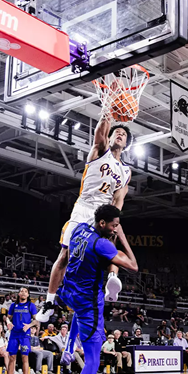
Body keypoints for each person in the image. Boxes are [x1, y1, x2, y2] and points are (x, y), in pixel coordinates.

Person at [47, 204, 138, 374]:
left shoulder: (78, 231)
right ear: (102, 223)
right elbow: (133, 264)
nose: (116, 228)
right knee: (93, 361)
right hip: (89, 305)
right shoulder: (104, 242)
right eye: (114, 225)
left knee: (101, 270)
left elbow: (63, 259)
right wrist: (123, 238)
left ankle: (68, 346)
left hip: (69, 292)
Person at [40, 113, 133, 324]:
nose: (120, 134)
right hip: (82, 208)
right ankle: (49, 302)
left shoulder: (126, 171)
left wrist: (114, 221)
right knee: (65, 254)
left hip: (101, 212)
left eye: (124, 134)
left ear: (126, 143)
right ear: (109, 138)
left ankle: (112, 278)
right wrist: (107, 113)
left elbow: (119, 199)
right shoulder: (100, 151)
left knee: (111, 240)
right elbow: (100, 131)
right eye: (116, 132)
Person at [3, 288, 39, 374]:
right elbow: (7, 317)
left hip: (24, 335)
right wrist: (8, 322)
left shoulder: (30, 305)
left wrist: (29, 325)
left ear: (28, 295)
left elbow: (36, 321)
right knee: (11, 358)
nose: (23, 292)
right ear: (18, 294)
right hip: (14, 334)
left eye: (25, 291)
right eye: (21, 291)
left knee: (24, 357)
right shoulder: (13, 305)